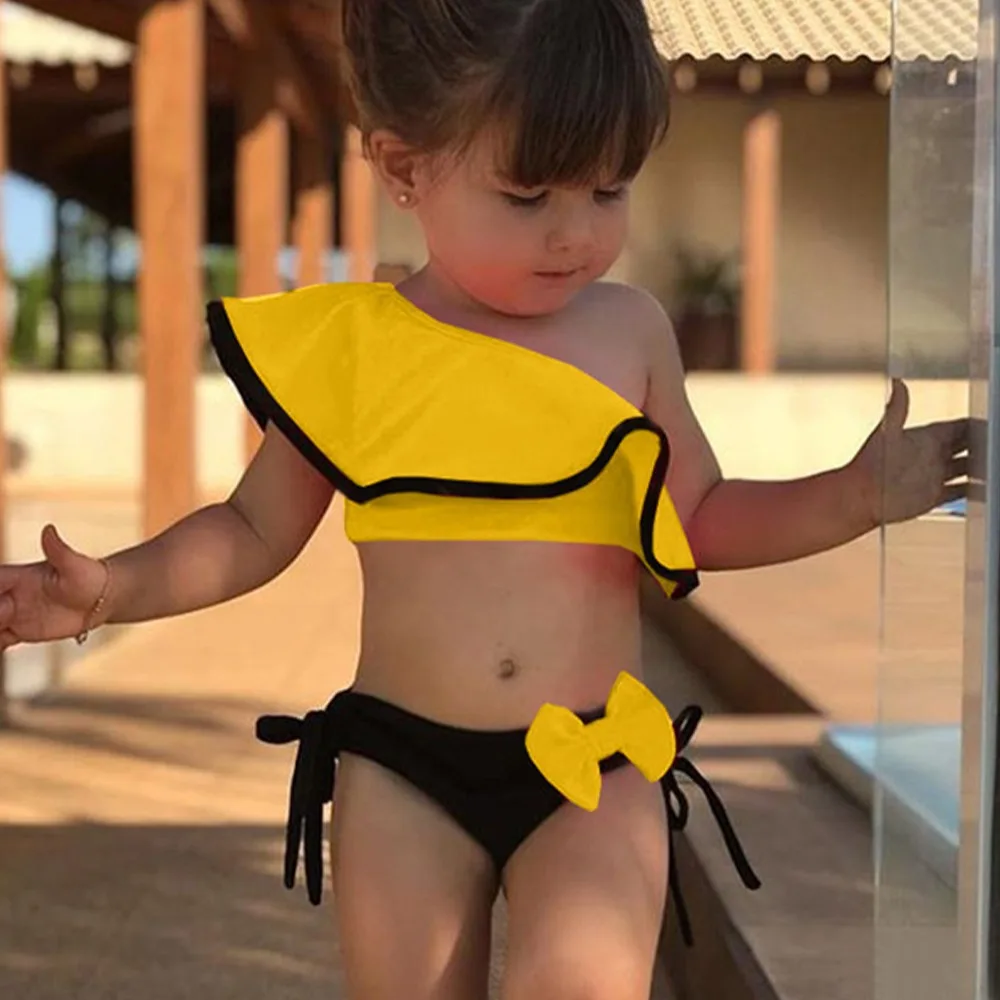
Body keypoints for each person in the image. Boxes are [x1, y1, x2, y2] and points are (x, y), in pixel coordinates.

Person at [0, 1, 966, 997]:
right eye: (527, 194)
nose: (574, 233)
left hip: (593, 762)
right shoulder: (359, 349)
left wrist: (852, 494)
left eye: (608, 188)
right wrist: (107, 589)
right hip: (403, 772)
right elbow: (251, 529)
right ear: (403, 167)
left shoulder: (629, 333)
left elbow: (697, 515)